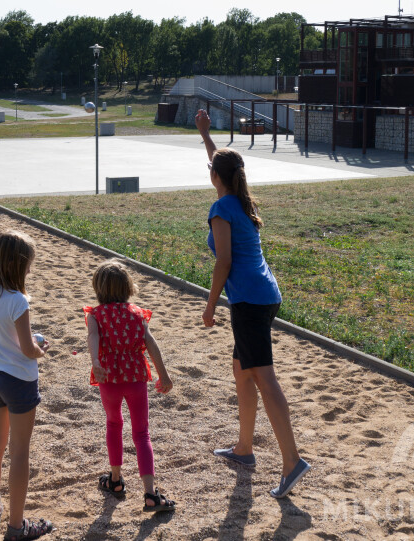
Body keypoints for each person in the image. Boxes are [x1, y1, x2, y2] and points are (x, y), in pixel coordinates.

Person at [194, 109, 311, 498]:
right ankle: (244, 449)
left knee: (263, 376)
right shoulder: (239, 200)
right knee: (243, 371)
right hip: (264, 295)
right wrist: (205, 134)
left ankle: (292, 461)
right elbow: (222, 166)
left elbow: (223, 262)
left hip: (248, 300)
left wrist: (210, 306)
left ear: (215, 178)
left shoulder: (221, 209)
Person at [0, 230, 54, 541]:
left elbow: (3, 336)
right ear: (17, 265)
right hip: (19, 378)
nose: (30, 270)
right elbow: (25, 349)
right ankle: (17, 527)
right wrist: (40, 349)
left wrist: (28, 343)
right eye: (28, 264)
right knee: (20, 451)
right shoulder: (17, 300)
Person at [84, 259, 176, 512]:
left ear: (99, 288)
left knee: (114, 424)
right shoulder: (137, 313)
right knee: (142, 433)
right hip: (136, 378)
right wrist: (164, 376)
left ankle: (115, 481)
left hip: (110, 380)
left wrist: (96, 362)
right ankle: (150, 494)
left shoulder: (96, 315)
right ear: (127, 287)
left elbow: (93, 337)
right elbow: (151, 344)